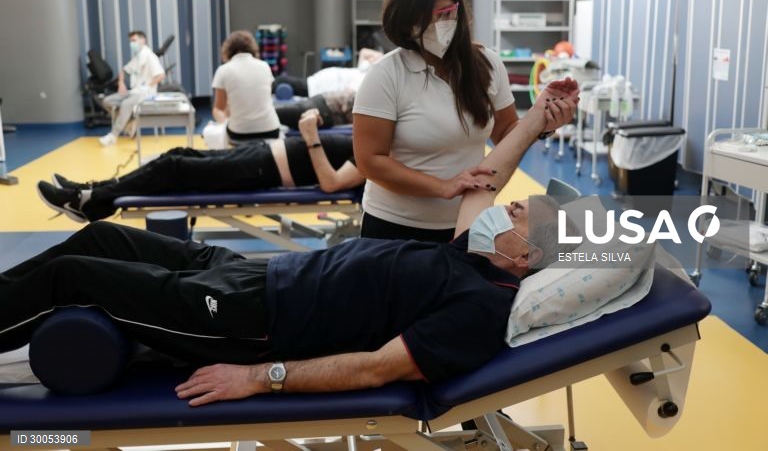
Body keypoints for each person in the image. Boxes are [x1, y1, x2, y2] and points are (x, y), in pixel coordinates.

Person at [0, 94, 577, 406]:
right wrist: (539, 115)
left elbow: (376, 370)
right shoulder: (474, 255)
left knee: (75, 274)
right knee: (102, 236)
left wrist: (260, 378)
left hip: (253, 320)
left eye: (521, 214)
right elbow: (487, 180)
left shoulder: (480, 307)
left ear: (525, 256)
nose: (508, 207)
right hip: (255, 273)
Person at [352, 0, 578, 243]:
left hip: (467, 224)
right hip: (395, 227)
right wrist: (442, 187)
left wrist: (542, 123)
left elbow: (507, 132)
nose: (439, 25)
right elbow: (369, 161)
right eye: (426, 19)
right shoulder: (386, 75)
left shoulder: (487, 65)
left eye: (446, 14)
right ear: (407, 23)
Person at [36, 110, 362, 222]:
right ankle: (91, 193)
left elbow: (332, 183)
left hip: (262, 171)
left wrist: (310, 136)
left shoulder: (380, 156)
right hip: (260, 156)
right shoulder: (376, 142)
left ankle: (91, 203)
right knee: (176, 154)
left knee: (174, 168)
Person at [212, 30, 281, 143]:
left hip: (239, 134)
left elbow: (219, 109)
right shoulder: (264, 66)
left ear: (227, 50)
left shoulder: (223, 70)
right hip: (271, 130)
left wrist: (225, 123)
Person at [99, 30, 165, 147]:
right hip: (134, 91)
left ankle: (113, 136)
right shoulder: (138, 57)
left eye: (134, 41)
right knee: (107, 101)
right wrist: (121, 83)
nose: (132, 44)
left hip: (146, 93)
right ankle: (129, 124)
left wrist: (147, 86)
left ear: (142, 40)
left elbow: (161, 75)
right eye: (130, 41)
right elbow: (123, 70)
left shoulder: (150, 56)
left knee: (126, 104)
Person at [273, 48, 384, 97]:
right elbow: (364, 51)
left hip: (322, 87)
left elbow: (348, 94)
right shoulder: (366, 70)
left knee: (282, 81)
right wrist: (381, 57)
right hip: (324, 78)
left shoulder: (365, 81)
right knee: (283, 81)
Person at [275, 88, 355, 129]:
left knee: (285, 114)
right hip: (326, 109)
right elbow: (346, 107)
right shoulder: (360, 97)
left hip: (323, 101)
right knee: (284, 114)